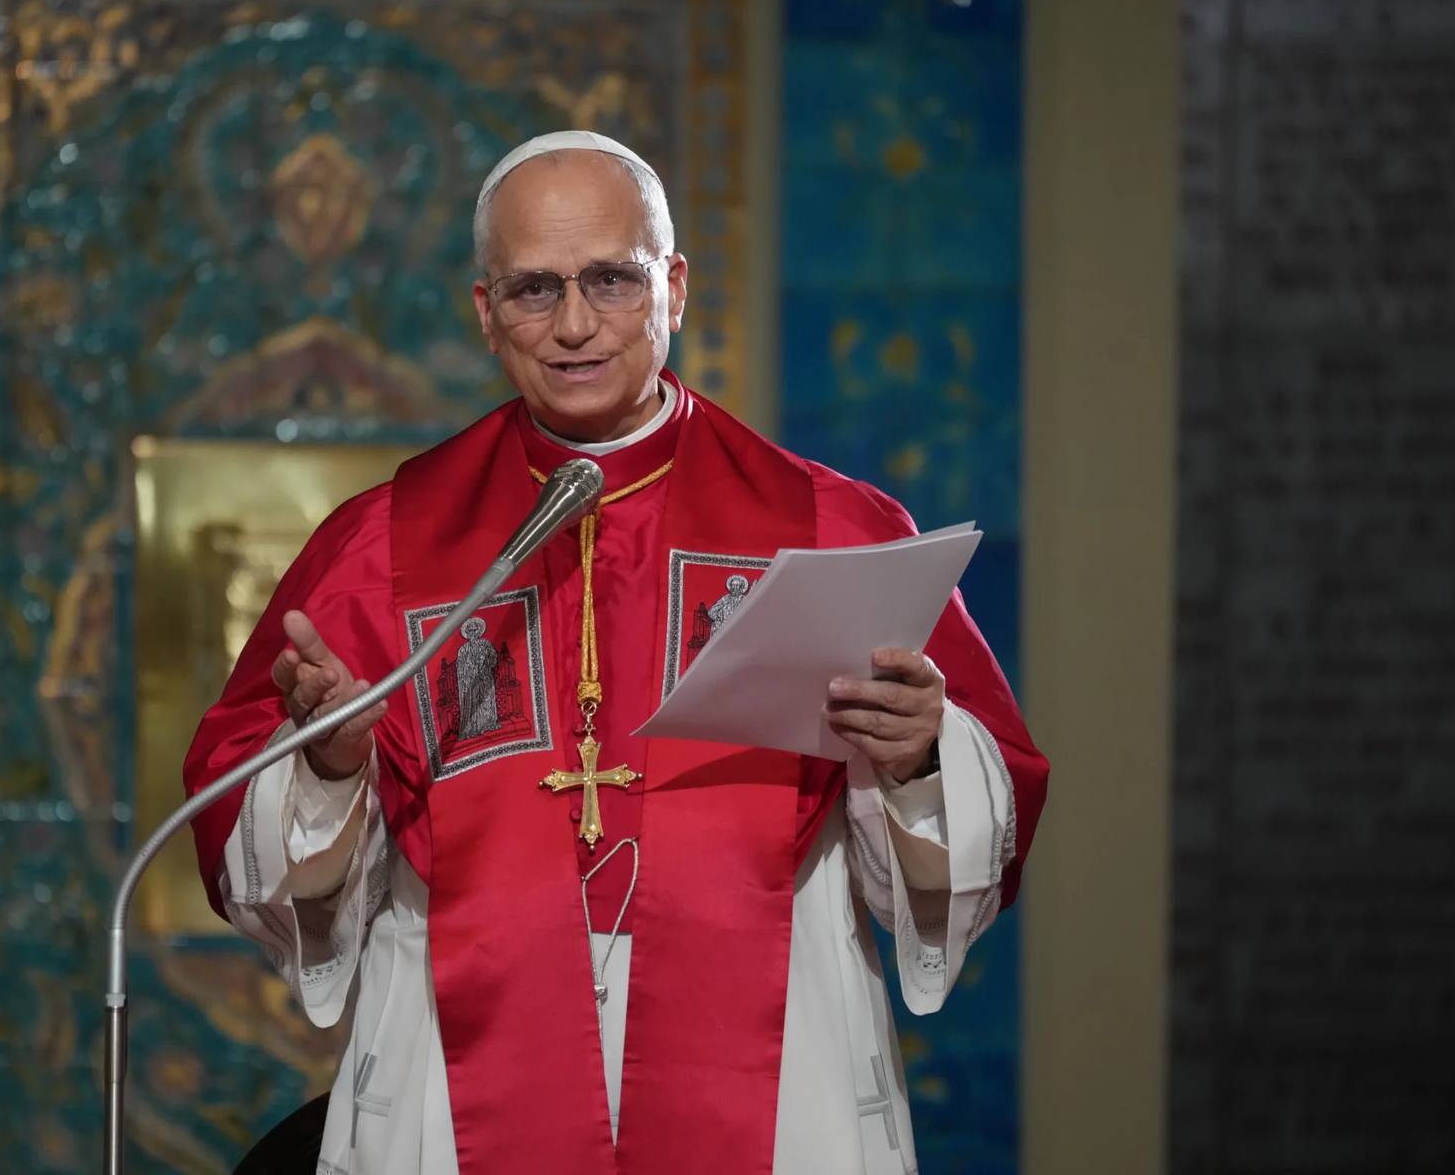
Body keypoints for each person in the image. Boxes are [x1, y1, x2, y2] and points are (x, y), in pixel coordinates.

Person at [183, 131, 1049, 1175]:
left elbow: (984, 817)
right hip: (461, 1074)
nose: (577, 325)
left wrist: (917, 753)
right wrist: (327, 764)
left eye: (612, 279)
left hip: (776, 1070)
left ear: (673, 286)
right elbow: (246, 823)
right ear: (486, 312)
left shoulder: (827, 526)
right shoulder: (384, 549)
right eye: (535, 290)